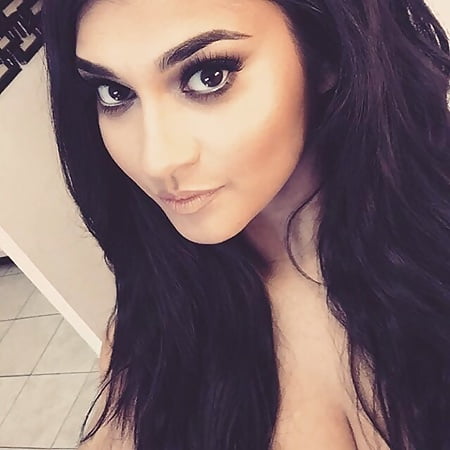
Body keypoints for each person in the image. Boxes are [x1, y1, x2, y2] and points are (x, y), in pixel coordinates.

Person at [40, 0, 450, 449]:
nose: (156, 160)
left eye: (208, 76)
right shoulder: (149, 332)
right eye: (115, 93)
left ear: (327, 53)